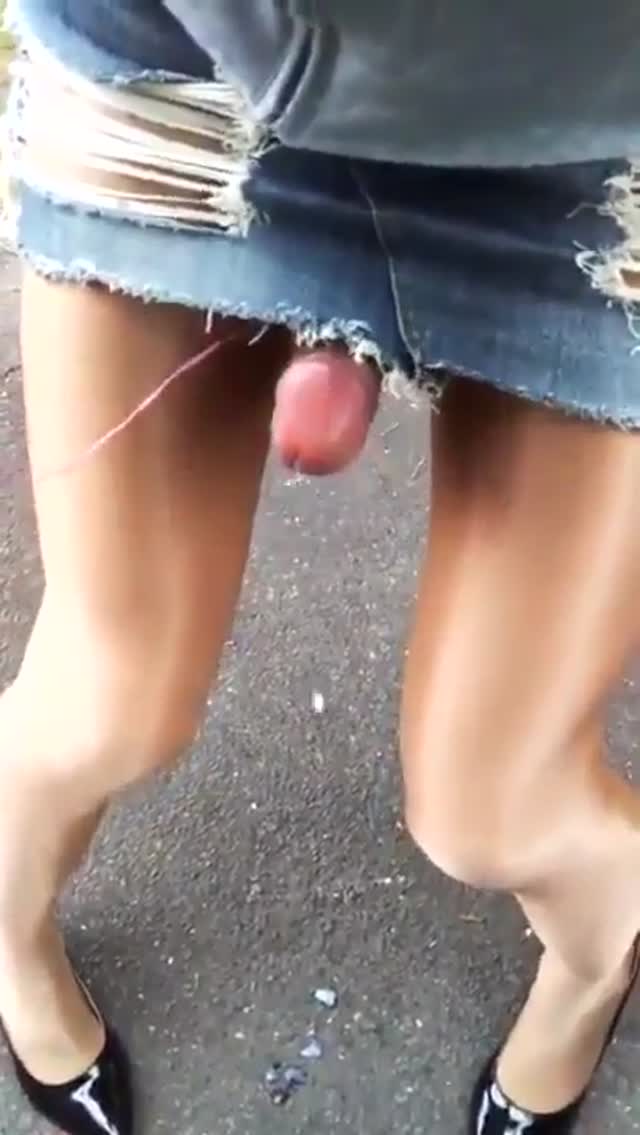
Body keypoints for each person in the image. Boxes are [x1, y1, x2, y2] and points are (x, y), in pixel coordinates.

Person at [1, 2, 639, 1133]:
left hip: (589, 127)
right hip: (188, 67)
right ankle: (7, 945)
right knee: (102, 700)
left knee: (496, 802)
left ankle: (595, 972)